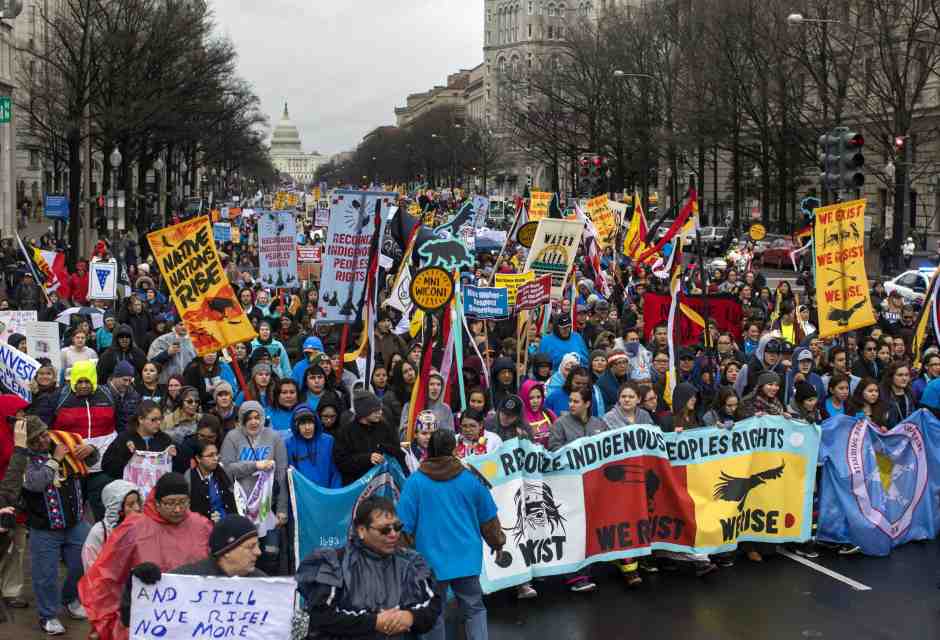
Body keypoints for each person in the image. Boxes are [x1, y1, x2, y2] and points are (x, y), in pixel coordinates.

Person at [78, 473, 213, 640]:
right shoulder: (133, 528)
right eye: (170, 503)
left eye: (183, 502)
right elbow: (106, 577)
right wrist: (109, 621)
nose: (177, 509)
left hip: (191, 619)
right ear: (157, 503)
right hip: (147, 619)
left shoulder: (202, 526)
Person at [398, 430, 504, 640]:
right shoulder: (471, 478)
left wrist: (403, 561)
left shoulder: (415, 482)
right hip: (466, 558)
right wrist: (498, 543)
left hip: (430, 562)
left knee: (433, 613)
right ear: (453, 449)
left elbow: (403, 527)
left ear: (429, 451)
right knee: (474, 608)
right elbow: (489, 519)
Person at [298, 496, 441, 640]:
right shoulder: (336, 562)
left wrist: (409, 617)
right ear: (361, 530)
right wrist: (374, 622)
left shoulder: (411, 562)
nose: (393, 534)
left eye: (397, 527)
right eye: (384, 529)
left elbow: (432, 606)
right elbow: (321, 616)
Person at [21, 415, 97, 635]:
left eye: (44, 434)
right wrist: (54, 460)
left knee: (84, 563)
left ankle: (71, 599)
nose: (44, 440)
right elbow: (35, 483)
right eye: (37, 438)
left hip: (75, 523)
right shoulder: (23, 459)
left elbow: (92, 460)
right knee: (46, 574)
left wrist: (91, 449)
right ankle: (48, 615)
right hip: (44, 528)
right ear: (27, 442)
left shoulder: (64, 443)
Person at [218, 401, 289, 568]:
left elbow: (281, 474)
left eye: (257, 417)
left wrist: (282, 509)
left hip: (267, 508)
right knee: (244, 557)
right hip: (241, 508)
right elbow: (226, 470)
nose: (254, 422)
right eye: (248, 418)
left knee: (271, 555)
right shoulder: (232, 437)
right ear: (242, 420)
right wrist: (255, 466)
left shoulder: (274, 437)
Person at [333, 392, 406, 485]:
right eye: (375, 410)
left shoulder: (385, 426)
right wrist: (367, 458)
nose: (380, 412)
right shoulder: (347, 431)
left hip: (382, 482)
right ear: (364, 412)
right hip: (357, 485)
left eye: (380, 409)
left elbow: (397, 451)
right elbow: (341, 462)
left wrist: (383, 448)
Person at [101, 400, 176, 480]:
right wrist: (126, 454)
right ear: (140, 419)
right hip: (131, 488)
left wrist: (174, 455)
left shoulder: (165, 439)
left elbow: (176, 469)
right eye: (153, 420)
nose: (158, 423)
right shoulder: (125, 438)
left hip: (158, 489)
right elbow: (107, 466)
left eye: (160, 419)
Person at [81, 480, 141, 571]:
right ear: (117, 508)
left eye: (138, 502)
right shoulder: (100, 532)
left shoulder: (143, 527)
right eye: (130, 504)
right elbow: (90, 568)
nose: (137, 508)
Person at [284, 405, 342, 488]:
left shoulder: (328, 441)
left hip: (327, 493)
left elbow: (335, 471)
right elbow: (290, 476)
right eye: (302, 424)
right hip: (303, 494)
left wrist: (334, 493)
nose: (307, 428)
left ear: (316, 423)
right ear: (296, 426)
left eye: (310, 422)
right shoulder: (289, 444)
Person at [184, 440, 239, 523]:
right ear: (198, 458)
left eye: (216, 454)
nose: (216, 458)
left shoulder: (223, 471)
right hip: (202, 527)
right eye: (210, 455)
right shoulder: (189, 477)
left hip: (228, 524)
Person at [147, 321, 197, 385]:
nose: (184, 327)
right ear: (175, 325)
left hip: (188, 384)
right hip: (166, 384)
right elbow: (151, 362)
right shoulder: (162, 340)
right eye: (181, 324)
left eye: (186, 324)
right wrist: (167, 353)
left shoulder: (195, 340)